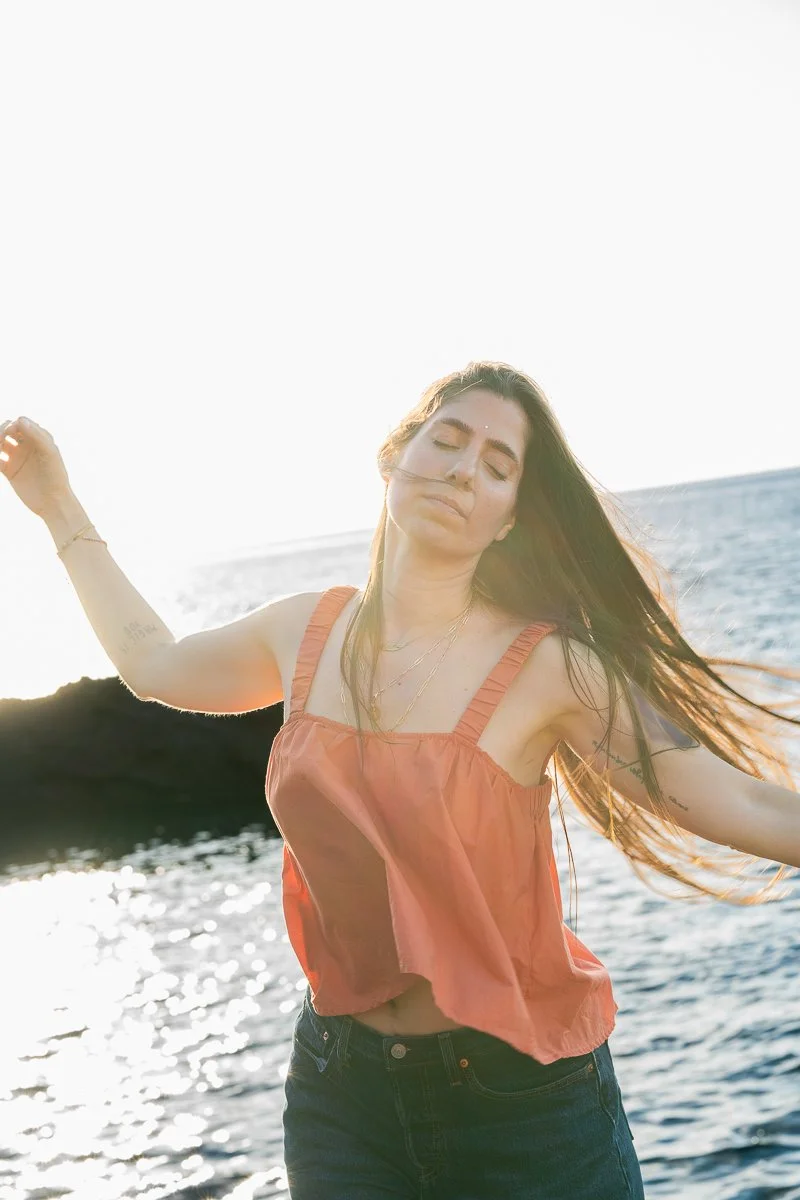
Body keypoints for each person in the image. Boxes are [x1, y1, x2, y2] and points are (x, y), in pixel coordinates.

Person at [2, 360, 798, 1199]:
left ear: (507, 521)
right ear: (395, 459)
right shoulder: (305, 631)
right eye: (447, 440)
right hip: (343, 1092)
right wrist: (59, 506)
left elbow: (732, 798)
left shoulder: (554, 670)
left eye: (497, 467)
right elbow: (156, 665)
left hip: (523, 1098)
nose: (463, 468)